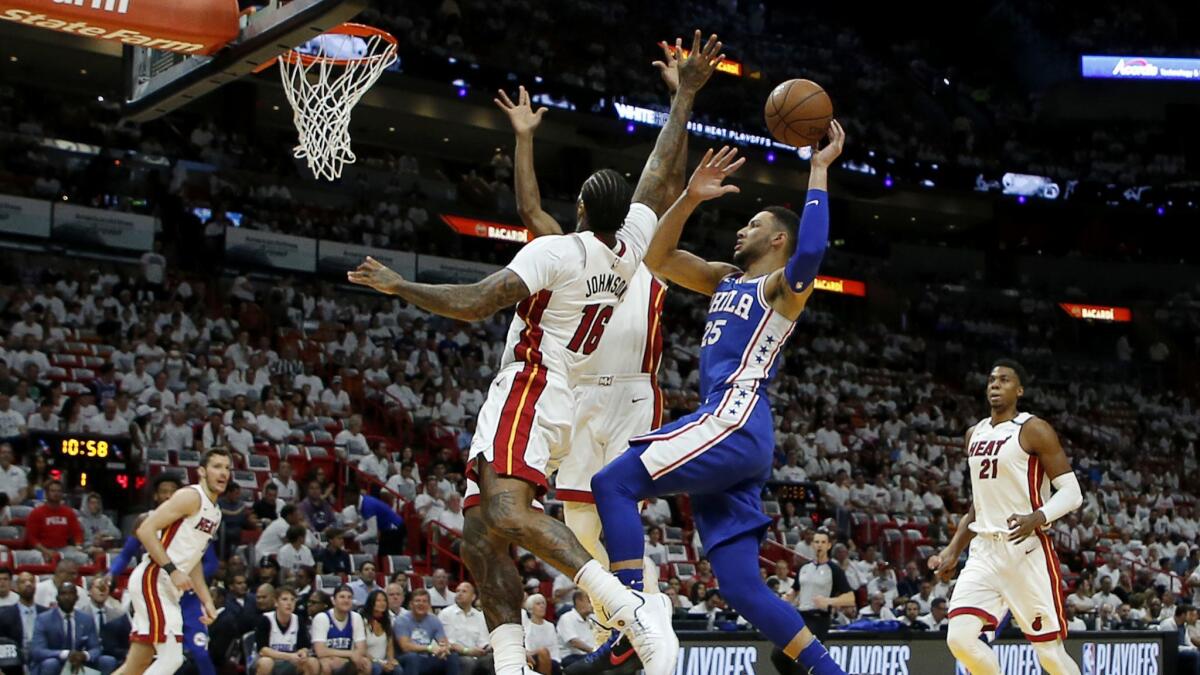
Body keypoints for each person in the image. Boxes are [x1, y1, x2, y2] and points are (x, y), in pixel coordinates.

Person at [346, 31, 728, 675]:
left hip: (536, 383)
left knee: (506, 511)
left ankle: (626, 608)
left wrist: (399, 285)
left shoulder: (558, 251)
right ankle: (510, 659)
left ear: (579, 208)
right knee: (478, 531)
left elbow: (474, 302)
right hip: (559, 390)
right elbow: (659, 177)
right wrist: (685, 97)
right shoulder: (629, 244)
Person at [586, 107, 847, 675]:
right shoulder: (723, 278)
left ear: (777, 239)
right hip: (733, 433)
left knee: (612, 482)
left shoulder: (781, 290)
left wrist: (819, 170)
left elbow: (812, 255)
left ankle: (630, 624)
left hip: (734, 417)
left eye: (753, 224)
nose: (741, 229)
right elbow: (657, 258)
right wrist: (690, 198)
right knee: (740, 586)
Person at [929, 360, 1084, 675]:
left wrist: (1037, 517)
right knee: (958, 639)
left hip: (1025, 552)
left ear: (1020, 389)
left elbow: (1072, 493)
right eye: (991, 380)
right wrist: (953, 550)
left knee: (1050, 655)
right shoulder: (974, 433)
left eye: (1004, 380)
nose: (995, 385)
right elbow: (979, 504)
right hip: (984, 552)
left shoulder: (1034, 429)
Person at [116, 449, 229, 675]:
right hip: (154, 579)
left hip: (167, 587)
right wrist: (172, 569)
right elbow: (145, 530)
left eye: (227, 468)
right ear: (202, 471)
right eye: (217, 466)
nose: (223, 473)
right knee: (172, 659)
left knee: (136, 666)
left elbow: (194, 560)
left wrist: (206, 600)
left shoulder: (215, 513)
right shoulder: (191, 497)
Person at [31, 582, 116, 675]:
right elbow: (38, 651)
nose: (67, 597)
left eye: (70, 593)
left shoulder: (86, 619)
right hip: (57, 663)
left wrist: (85, 655)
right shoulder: (43, 619)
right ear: (57, 598)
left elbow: (96, 648)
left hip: (81, 663)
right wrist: (66, 654)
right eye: (63, 594)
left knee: (108, 661)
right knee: (50, 663)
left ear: (77, 598)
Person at [254, 587, 319, 675]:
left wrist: (303, 652)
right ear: (276, 602)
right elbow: (263, 650)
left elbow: (304, 646)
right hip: (269, 660)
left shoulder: (298, 620)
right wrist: (288, 656)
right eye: (284, 599)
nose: (289, 603)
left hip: (291, 661)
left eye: (292, 600)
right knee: (266, 662)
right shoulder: (265, 619)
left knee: (312, 662)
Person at [394, 589, 458, 675]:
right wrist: (430, 648)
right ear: (411, 604)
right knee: (412, 657)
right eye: (417, 601)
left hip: (426, 658)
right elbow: (405, 647)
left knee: (452, 656)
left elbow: (443, 642)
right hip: (406, 658)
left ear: (429, 605)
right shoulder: (401, 620)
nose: (421, 604)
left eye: (424, 601)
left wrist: (443, 649)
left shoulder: (434, 620)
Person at [311, 585, 370, 675]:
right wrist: (350, 654)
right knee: (326, 666)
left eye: (349, 597)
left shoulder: (356, 617)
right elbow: (320, 651)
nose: (346, 600)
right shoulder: (322, 618)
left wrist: (345, 658)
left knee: (366, 664)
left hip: (347, 658)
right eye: (342, 597)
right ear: (333, 600)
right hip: (327, 658)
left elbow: (361, 649)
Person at [26, 480, 89, 565]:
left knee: (83, 558)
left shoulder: (68, 512)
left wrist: (78, 546)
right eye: (53, 491)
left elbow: (77, 532)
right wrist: (46, 551)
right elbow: (31, 538)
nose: (56, 494)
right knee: (38, 557)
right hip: (42, 549)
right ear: (47, 493)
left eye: (59, 491)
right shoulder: (36, 513)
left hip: (63, 549)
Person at [0, 571, 48, 675]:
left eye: (31, 581)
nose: (28, 584)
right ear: (16, 587)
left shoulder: (46, 613)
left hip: (42, 660)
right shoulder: (4, 615)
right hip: (14, 664)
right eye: (23, 582)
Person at [440, 582, 491, 675]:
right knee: (468, 662)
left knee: (492, 659)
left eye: (464, 591)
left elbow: (484, 640)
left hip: (478, 654)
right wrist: (467, 651)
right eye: (457, 591)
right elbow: (448, 642)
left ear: (473, 597)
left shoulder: (479, 616)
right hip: (456, 655)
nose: (459, 593)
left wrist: (486, 648)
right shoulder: (446, 614)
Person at [360, 591, 402, 675]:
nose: (382, 603)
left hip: (383, 660)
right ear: (371, 602)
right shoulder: (362, 621)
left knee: (397, 669)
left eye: (384, 600)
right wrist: (380, 663)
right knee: (377, 668)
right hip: (367, 660)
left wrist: (390, 660)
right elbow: (362, 650)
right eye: (378, 600)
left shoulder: (387, 622)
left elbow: (390, 647)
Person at [555, 592, 595, 669]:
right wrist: (595, 652)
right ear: (578, 601)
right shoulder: (566, 618)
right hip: (571, 656)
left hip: (589, 655)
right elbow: (574, 642)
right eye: (589, 601)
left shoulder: (592, 618)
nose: (592, 604)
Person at [523, 594, 558, 675]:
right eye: (538, 604)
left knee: (547, 656)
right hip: (532, 659)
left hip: (551, 658)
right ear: (531, 608)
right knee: (543, 652)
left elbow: (555, 648)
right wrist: (539, 652)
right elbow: (528, 649)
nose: (542, 606)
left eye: (543, 603)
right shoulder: (526, 626)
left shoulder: (550, 626)